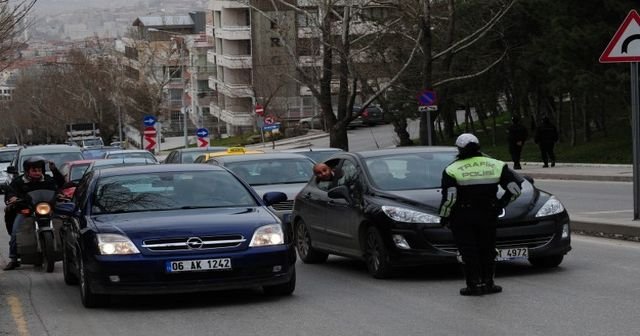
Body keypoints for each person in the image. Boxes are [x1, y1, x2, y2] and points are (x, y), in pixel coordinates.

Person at [439, 133, 522, 296]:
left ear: (459, 149)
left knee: (468, 250)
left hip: (463, 215)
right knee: (488, 248)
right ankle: (489, 283)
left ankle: (474, 285)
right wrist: (500, 204)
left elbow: (450, 198)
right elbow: (515, 189)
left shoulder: (452, 169)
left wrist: (444, 216)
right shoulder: (497, 165)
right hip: (488, 214)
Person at [3, 156, 65, 271]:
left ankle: (68, 252)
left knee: (65, 225)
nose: (37, 173)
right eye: (34, 170)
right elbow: (10, 192)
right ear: (27, 171)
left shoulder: (48, 180)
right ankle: (14, 259)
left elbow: (60, 185)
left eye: (39, 170)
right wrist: (13, 197)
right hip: (27, 211)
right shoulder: (19, 182)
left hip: (47, 209)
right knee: (16, 232)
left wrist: (54, 171)